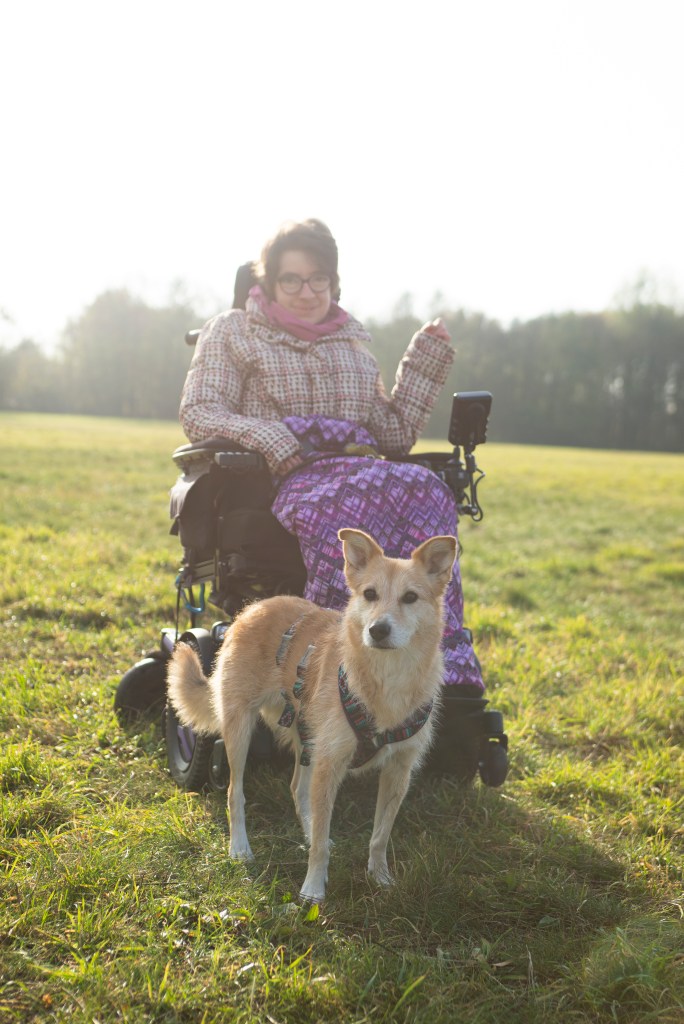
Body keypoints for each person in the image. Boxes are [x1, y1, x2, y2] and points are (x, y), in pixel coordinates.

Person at [179, 219, 483, 694]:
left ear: (333, 283)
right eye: (291, 280)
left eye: (317, 279)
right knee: (351, 502)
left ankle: (444, 669)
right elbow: (200, 411)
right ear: (269, 282)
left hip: (364, 465)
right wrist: (268, 436)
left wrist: (424, 364)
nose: (306, 291)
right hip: (285, 474)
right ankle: (331, 667)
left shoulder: (352, 344)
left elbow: (392, 435)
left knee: (427, 485)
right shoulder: (234, 331)